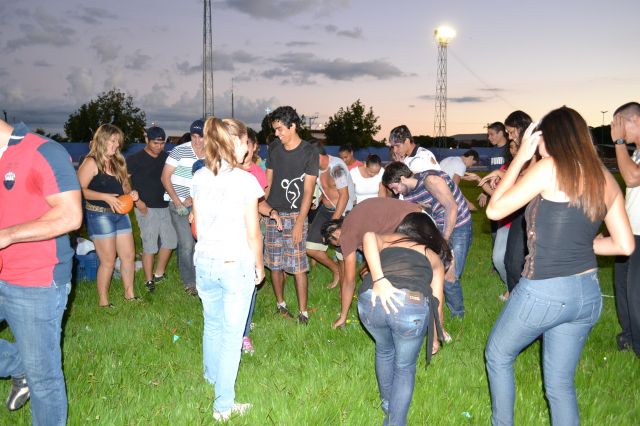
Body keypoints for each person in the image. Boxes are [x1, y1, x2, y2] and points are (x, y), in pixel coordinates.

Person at [484, 107, 634, 425]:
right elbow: (625, 245)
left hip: (545, 291)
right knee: (560, 385)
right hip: (587, 294)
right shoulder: (604, 177)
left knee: (498, 354)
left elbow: (495, 210)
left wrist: (521, 158)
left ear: (549, 138)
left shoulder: (549, 167)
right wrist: (582, 246)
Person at [0, 119, 82, 423]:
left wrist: (7, 235)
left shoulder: (43, 151)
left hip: (35, 280)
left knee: (43, 380)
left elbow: (70, 215)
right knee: (33, 365)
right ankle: (18, 364)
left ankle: (30, 369)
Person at [190, 117, 265, 422]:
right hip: (235, 263)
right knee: (232, 335)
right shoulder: (245, 181)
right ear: (234, 142)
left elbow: (196, 225)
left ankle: (211, 376)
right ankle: (223, 406)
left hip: (204, 261)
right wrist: (259, 264)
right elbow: (253, 232)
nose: (248, 147)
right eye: (245, 141)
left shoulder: (199, 176)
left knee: (213, 324)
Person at [358, 212, 451, 426]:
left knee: (384, 350)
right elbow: (437, 304)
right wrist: (435, 337)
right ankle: (395, 421)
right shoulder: (432, 256)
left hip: (370, 302)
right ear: (429, 234)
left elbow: (369, 236)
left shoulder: (390, 239)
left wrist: (378, 280)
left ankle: (388, 406)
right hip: (410, 306)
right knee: (405, 367)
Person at [382, 161, 472, 319]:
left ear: (402, 179)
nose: (395, 192)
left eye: (394, 187)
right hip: (437, 228)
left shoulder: (430, 180)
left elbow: (452, 207)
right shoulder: (407, 194)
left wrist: (444, 242)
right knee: (431, 270)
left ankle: (458, 315)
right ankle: (428, 308)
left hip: (458, 226)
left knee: (449, 274)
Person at [320, 197, 423, 328]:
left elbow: (349, 281)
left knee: (396, 276)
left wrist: (343, 316)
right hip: (421, 216)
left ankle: (411, 306)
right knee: (367, 273)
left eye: (336, 244)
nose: (340, 247)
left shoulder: (346, 234)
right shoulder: (353, 220)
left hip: (413, 226)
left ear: (335, 234)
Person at [264, 106, 318, 324]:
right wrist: (261, 208)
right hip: (273, 214)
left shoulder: (309, 152)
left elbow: (308, 191)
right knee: (274, 263)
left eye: (280, 129)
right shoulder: (274, 148)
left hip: (296, 214)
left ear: (293, 126)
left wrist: (299, 223)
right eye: (275, 129)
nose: (276, 134)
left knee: (298, 265)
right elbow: (268, 182)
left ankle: (303, 312)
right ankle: (281, 304)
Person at [77, 124, 140, 307]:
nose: (116, 145)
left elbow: (126, 188)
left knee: (128, 256)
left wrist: (132, 194)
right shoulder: (91, 162)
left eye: (118, 142)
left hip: (121, 213)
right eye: (113, 141)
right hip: (99, 215)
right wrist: (104, 197)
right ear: (102, 139)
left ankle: (130, 295)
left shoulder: (118, 162)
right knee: (108, 261)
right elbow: (79, 190)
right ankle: (103, 302)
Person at [127, 126, 177, 292]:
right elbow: (124, 181)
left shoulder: (166, 157)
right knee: (150, 245)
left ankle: (159, 273)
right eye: (155, 143)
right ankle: (148, 280)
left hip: (164, 205)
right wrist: (137, 201)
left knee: (171, 241)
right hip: (145, 207)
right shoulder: (135, 159)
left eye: (162, 143)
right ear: (147, 140)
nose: (159, 146)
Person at [161, 119, 205, 296]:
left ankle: (201, 277)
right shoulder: (179, 150)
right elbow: (165, 177)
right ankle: (190, 282)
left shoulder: (212, 153)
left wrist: (193, 199)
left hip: (198, 204)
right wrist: (177, 201)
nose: (197, 141)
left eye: (201, 137)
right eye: (194, 136)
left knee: (199, 242)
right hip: (177, 203)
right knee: (187, 243)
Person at [611, 101, 640, 356]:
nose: (615, 128)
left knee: (636, 293)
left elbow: (632, 178)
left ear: (636, 120)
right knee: (623, 290)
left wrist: (619, 142)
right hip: (630, 233)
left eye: (619, 122)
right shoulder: (636, 153)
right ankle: (630, 337)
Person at [306, 141, 355, 289]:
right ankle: (336, 270)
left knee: (342, 255)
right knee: (310, 247)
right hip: (325, 210)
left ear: (318, 157)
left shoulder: (337, 168)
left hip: (343, 211)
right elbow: (326, 188)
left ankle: (344, 288)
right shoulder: (316, 168)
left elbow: (344, 196)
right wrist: (317, 200)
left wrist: (333, 224)